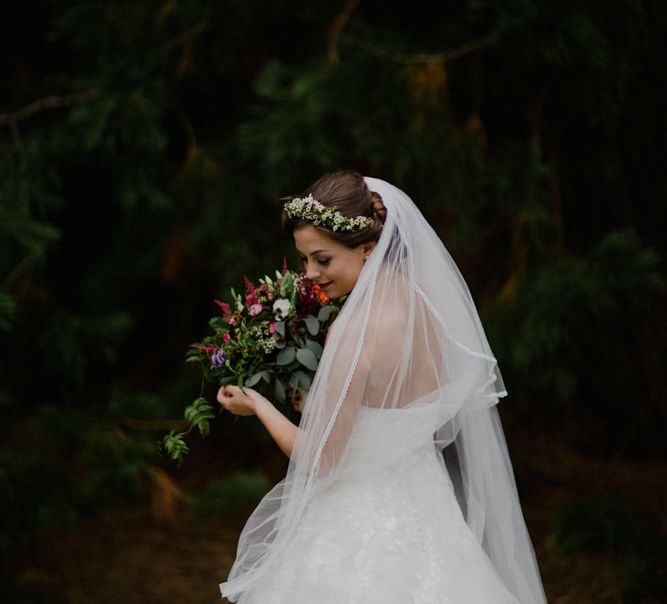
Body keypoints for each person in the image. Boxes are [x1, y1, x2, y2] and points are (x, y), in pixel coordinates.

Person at [217, 171, 548, 603]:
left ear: (368, 249)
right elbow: (395, 406)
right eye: (304, 261)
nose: (310, 274)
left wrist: (258, 404)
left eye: (323, 259)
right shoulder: (423, 307)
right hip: (431, 513)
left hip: (356, 524)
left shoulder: (353, 332)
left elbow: (319, 459)